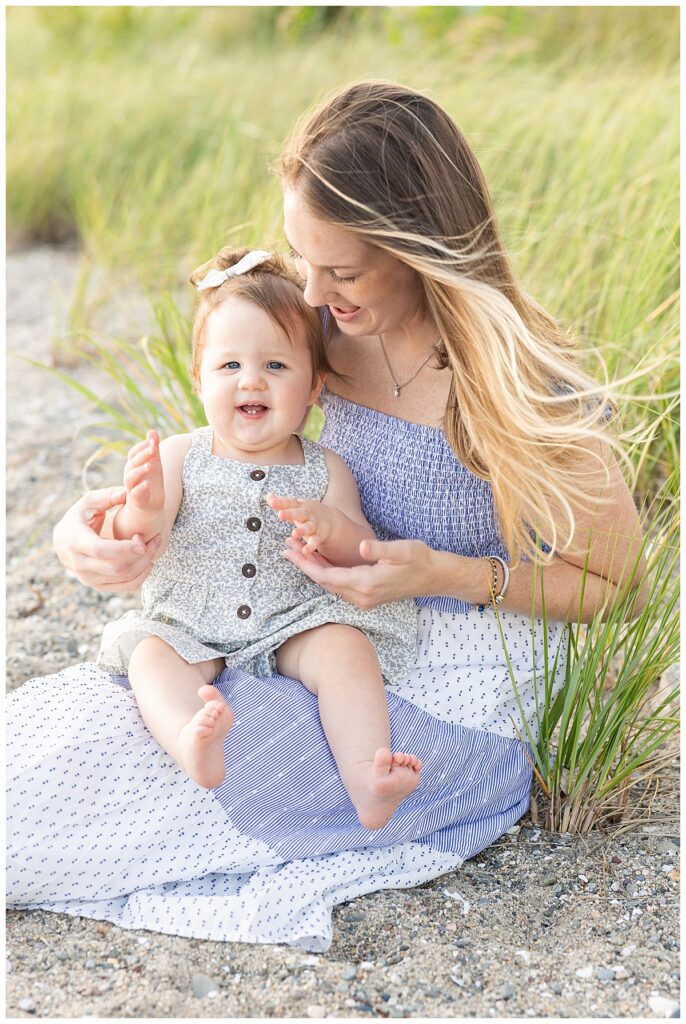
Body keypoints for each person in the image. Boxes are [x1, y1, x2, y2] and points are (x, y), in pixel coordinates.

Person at [7, 80, 646, 951]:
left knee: (166, 771)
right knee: (108, 714)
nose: (313, 292)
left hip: (453, 682)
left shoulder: (520, 387)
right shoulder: (318, 345)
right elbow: (210, 458)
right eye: (305, 262)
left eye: (341, 271)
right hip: (286, 629)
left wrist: (442, 573)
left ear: (419, 247)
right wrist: (85, 530)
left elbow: (617, 588)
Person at [97, 245, 421, 825]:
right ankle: (190, 740)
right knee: (149, 656)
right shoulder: (178, 457)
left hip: (291, 621)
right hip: (189, 623)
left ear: (314, 387)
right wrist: (141, 508)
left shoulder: (326, 469)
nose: (252, 381)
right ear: (199, 379)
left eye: (276, 366)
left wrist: (333, 529)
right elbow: (136, 541)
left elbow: (360, 554)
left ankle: (369, 778)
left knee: (346, 647)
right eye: (229, 367)